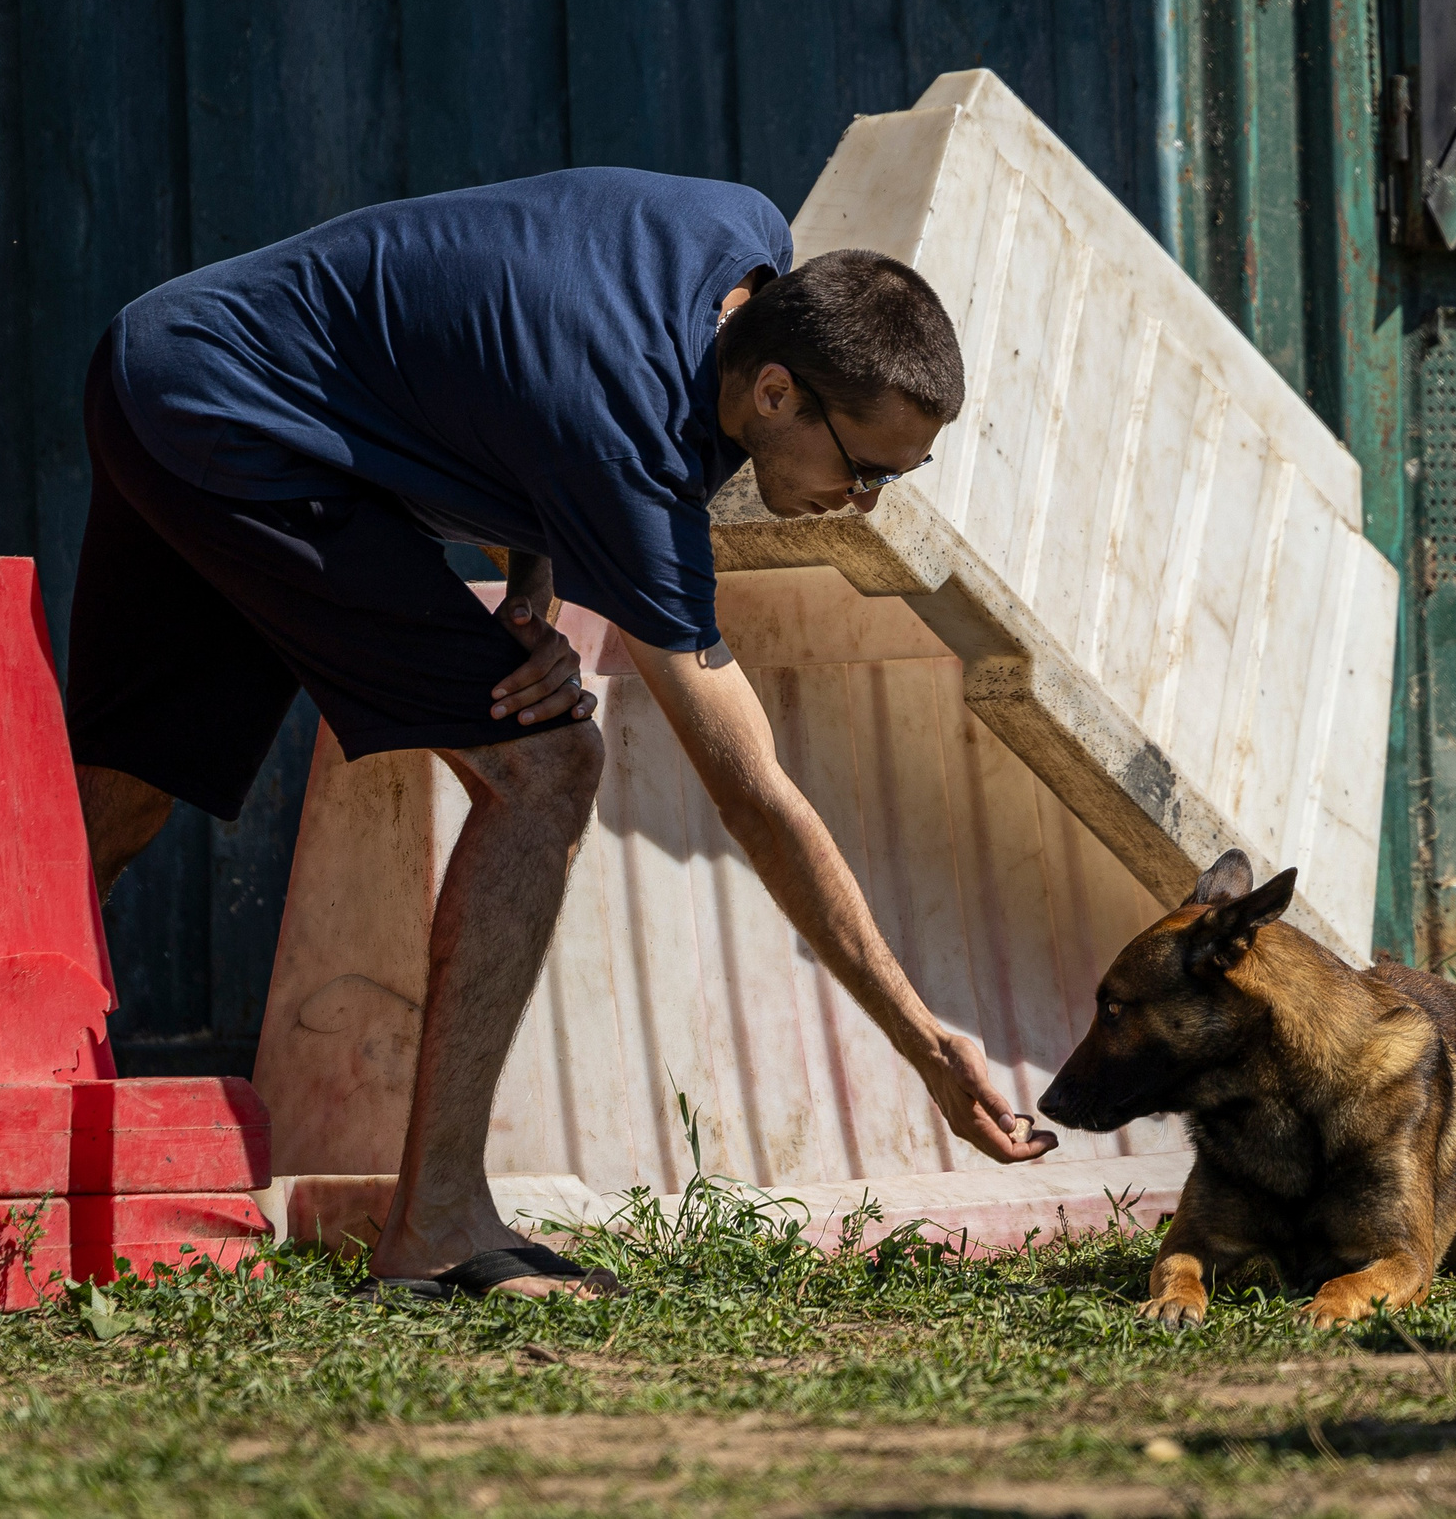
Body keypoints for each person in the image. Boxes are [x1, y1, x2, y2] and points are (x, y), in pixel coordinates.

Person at [63, 169, 1058, 1300]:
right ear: (774, 391)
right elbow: (755, 795)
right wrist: (925, 1040)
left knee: (121, 792)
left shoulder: (742, 239)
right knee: (546, 767)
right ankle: (436, 1225)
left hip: (160, 358)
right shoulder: (629, 445)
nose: (867, 502)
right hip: (241, 426)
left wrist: (531, 590)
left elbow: (512, 334)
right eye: (864, 468)